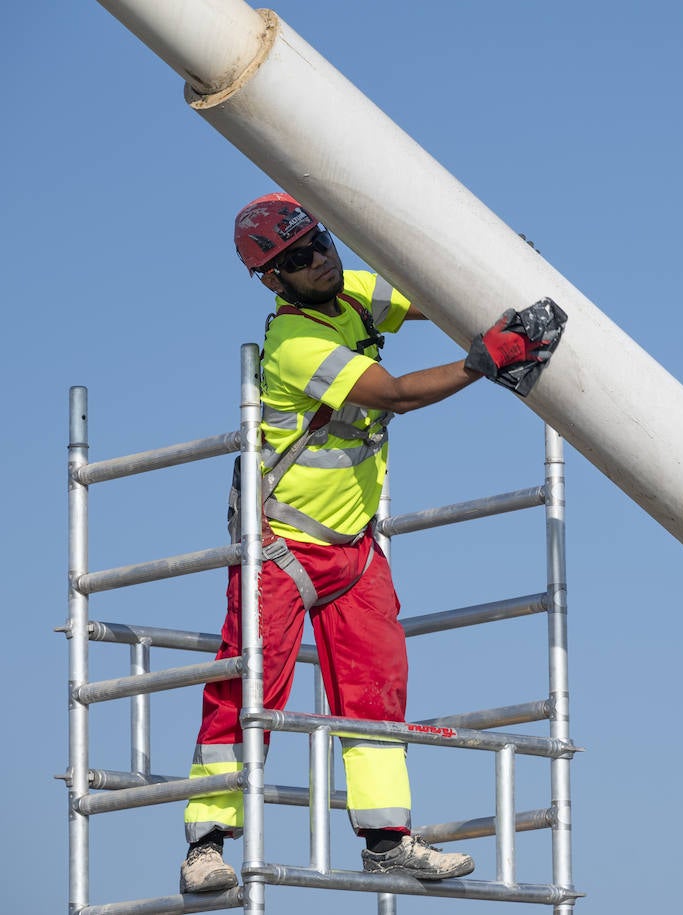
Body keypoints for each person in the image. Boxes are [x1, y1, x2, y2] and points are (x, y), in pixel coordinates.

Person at [180, 192, 558, 894]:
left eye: (319, 241)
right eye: (296, 258)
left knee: (376, 691)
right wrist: (485, 362)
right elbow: (397, 393)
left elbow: (427, 300)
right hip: (281, 547)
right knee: (245, 687)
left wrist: (494, 278)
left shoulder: (349, 294)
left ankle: (386, 840)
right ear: (272, 279)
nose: (319, 260)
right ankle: (206, 843)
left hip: (352, 546)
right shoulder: (296, 344)